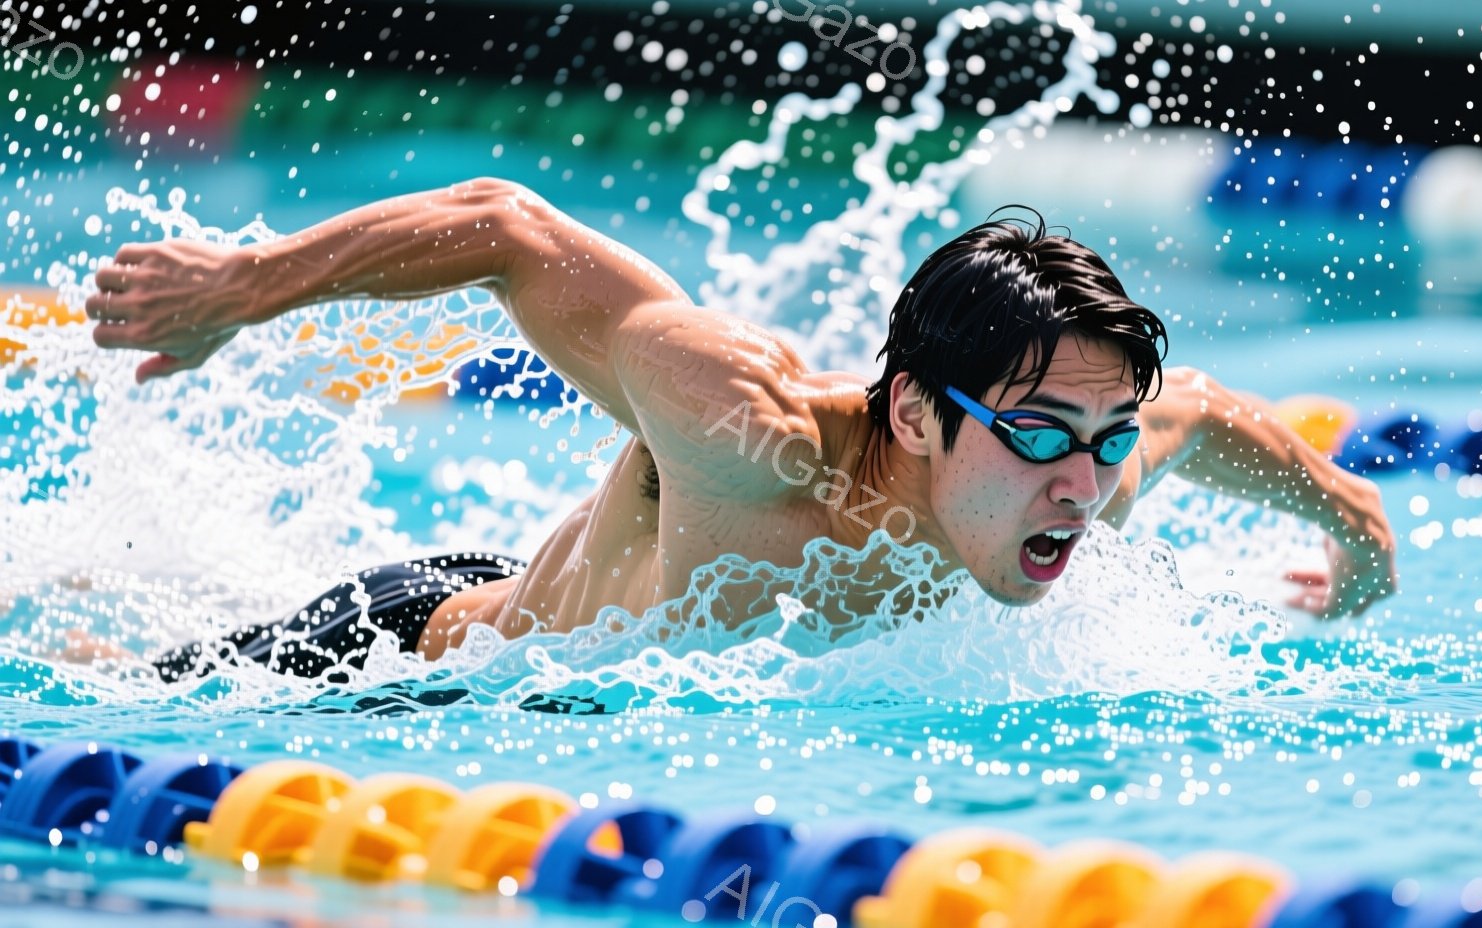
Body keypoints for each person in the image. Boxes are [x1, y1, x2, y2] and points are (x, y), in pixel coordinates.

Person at [83, 179, 1397, 682]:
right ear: (913, 415)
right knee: (122, 682)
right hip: (402, 669)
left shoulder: (1083, 461)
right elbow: (508, 228)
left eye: (1108, 441)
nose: (1086, 482)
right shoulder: (748, 430)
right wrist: (233, 293)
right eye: (1046, 436)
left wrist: (1358, 530)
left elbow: (1210, 413)